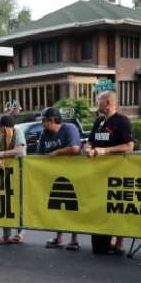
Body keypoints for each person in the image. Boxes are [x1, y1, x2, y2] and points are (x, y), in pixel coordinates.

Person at [84, 91, 134, 255]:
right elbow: (91, 141)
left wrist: (105, 151)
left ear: (107, 102)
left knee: (116, 207)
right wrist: (88, 148)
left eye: (98, 101)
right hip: (98, 174)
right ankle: (106, 242)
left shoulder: (122, 121)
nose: (96, 104)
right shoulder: (99, 121)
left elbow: (129, 146)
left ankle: (118, 242)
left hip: (116, 173)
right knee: (100, 207)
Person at [36, 107, 84, 251]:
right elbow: (39, 155)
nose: (42, 124)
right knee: (57, 206)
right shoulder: (44, 134)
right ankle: (59, 237)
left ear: (51, 120)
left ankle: (74, 239)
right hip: (54, 177)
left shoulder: (69, 128)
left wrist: (56, 153)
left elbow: (75, 148)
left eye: (44, 121)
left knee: (71, 207)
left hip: (73, 175)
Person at [0, 114, 26, 244]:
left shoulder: (18, 133)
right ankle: (6, 235)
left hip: (20, 172)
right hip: (7, 174)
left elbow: (19, 150)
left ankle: (20, 233)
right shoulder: (1, 138)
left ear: (6, 127)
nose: (0, 131)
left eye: (1, 128)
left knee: (19, 204)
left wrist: (1, 154)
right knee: (6, 204)